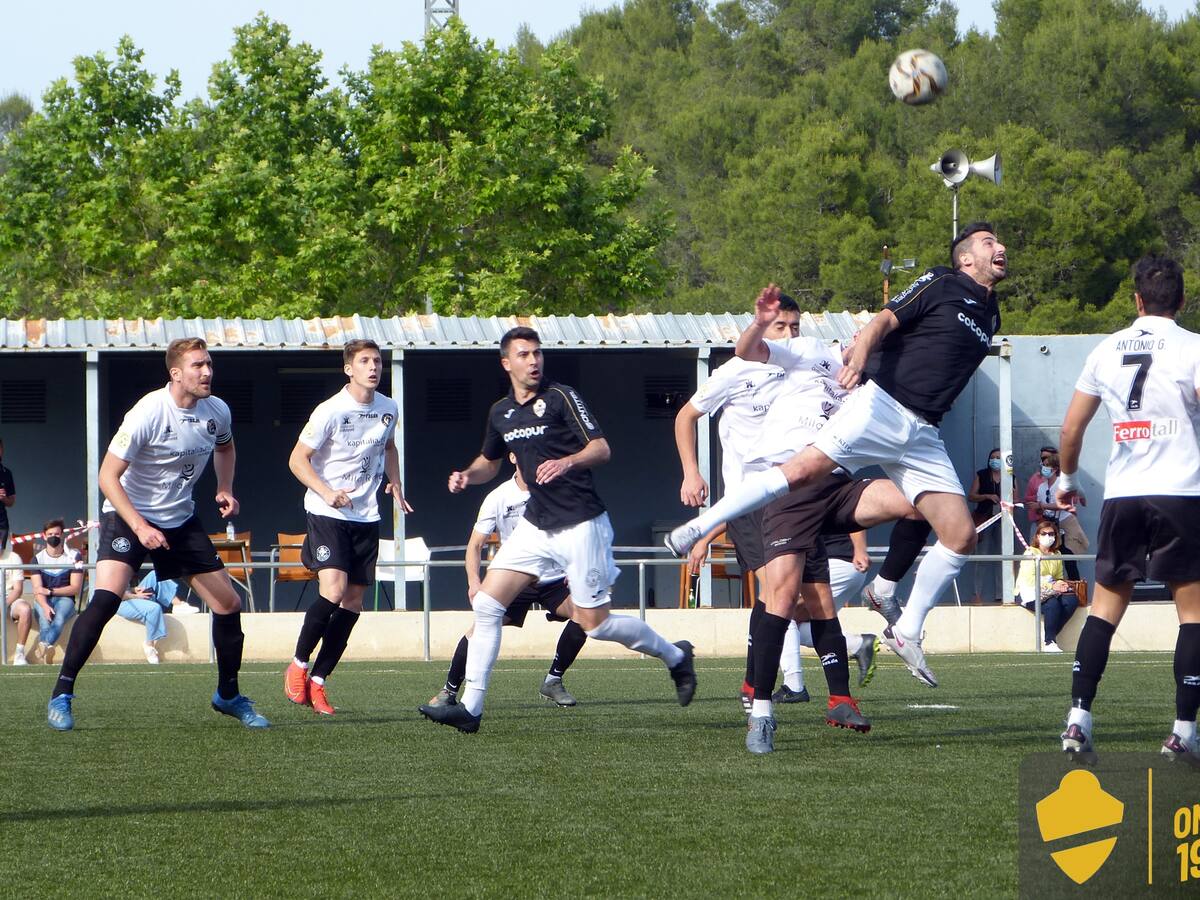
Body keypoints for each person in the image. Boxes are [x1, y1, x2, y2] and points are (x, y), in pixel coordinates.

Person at [667, 223, 1007, 689]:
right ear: (966, 258)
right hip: (845, 437)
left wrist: (860, 361)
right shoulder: (816, 351)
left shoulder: (990, 315)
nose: (1000, 247)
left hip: (919, 431)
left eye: (998, 241)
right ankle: (699, 531)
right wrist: (852, 347)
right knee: (783, 584)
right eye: (989, 242)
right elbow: (754, 352)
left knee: (959, 531)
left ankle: (902, 623)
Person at [419, 326, 696, 734]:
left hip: (581, 524)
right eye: (524, 354)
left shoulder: (561, 397)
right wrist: (466, 475)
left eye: (537, 353)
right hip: (536, 526)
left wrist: (566, 462)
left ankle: (675, 656)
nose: (533, 361)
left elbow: (602, 448)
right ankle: (472, 708)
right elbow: (489, 462)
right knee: (488, 605)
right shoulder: (501, 413)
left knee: (595, 624)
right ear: (506, 363)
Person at [46, 337, 267, 731]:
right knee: (106, 598)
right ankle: (61, 694)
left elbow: (226, 448)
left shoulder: (217, 412)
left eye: (210, 364)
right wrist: (140, 526)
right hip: (127, 515)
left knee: (229, 604)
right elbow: (106, 477)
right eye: (198, 365)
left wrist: (225, 488)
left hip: (180, 520)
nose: (207, 372)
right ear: (176, 373)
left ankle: (228, 696)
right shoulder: (148, 412)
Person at [1055, 255, 1200, 766]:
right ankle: (1183, 732)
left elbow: (1072, 429)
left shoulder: (1107, 348)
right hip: (1182, 492)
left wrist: (1067, 479)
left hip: (1124, 494)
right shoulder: (1192, 348)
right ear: (1181, 301)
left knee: (1105, 609)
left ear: (1136, 300)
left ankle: (1078, 718)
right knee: (1194, 615)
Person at [674, 295, 800, 709]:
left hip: (795, 495)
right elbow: (685, 417)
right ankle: (836, 653)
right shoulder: (733, 372)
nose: (790, 336)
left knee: (782, 597)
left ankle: (759, 684)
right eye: (781, 327)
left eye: (795, 327)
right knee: (778, 594)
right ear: (762, 328)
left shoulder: (800, 368)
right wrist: (692, 472)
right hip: (751, 501)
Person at [283, 339, 410, 716]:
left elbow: (388, 447)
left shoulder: (389, 408)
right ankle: (299, 663)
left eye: (377, 361)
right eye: (365, 361)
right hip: (327, 513)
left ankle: (319, 683)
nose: (374, 367)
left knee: (353, 603)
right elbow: (297, 459)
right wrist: (326, 491)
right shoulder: (331, 411)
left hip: (366, 516)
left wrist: (396, 482)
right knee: (334, 590)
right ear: (348, 369)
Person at [427, 453, 589, 709]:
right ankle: (449, 690)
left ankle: (553, 680)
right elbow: (475, 545)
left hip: (552, 577)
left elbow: (574, 532)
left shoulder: (555, 489)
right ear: (513, 457)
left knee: (586, 614)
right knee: (478, 629)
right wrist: (474, 582)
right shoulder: (498, 497)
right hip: (513, 577)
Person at [776, 532, 878, 703]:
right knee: (795, 626)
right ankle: (857, 644)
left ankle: (794, 687)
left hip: (836, 563)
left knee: (782, 615)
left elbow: (853, 514)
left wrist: (860, 549)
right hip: (840, 564)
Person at [1014, 522, 1078, 652]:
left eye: (1051, 534)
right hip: (1029, 592)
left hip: (1051, 590)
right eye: (1044, 534)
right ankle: (1049, 641)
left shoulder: (1057, 554)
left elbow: (1058, 575)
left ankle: (1050, 636)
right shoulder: (1030, 553)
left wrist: (1061, 583)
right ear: (1037, 536)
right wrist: (1053, 585)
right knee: (1052, 604)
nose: (1048, 536)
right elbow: (1030, 579)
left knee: (1072, 600)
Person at [29, 519, 82, 665]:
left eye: (57, 534)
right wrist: (45, 606)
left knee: (58, 620)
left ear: (62, 535)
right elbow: (37, 590)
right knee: (45, 622)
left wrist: (50, 592)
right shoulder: (37, 559)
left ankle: (43, 646)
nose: (54, 537)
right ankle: (46, 651)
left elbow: (75, 588)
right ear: (44, 536)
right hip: (43, 599)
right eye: (50, 534)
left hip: (66, 599)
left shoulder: (74, 556)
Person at [1031, 451, 1089, 581]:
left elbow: (1062, 504)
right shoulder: (1041, 487)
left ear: (1055, 468)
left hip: (1065, 522)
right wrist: (1037, 508)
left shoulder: (1062, 484)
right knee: (1050, 557)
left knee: (1068, 558)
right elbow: (1042, 507)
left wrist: (1041, 506)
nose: (1043, 468)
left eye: (1047, 465)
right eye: (1043, 465)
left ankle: (1076, 590)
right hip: (1049, 523)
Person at [119, 570, 187, 664]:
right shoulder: (109, 565)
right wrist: (135, 596)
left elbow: (123, 589)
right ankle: (149, 644)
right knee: (154, 608)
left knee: (155, 574)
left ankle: (178, 605)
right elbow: (114, 593)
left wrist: (133, 589)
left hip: (129, 595)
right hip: (118, 603)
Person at [967, 449, 1005, 603]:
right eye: (993, 457)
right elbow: (971, 496)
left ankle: (1002, 594)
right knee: (981, 557)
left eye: (998, 458)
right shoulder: (981, 475)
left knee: (1003, 557)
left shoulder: (1010, 476)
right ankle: (977, 594)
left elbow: (1016, 498)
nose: (995, 460)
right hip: (985, 519)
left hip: (1003, 520)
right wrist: (987, 496)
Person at [3, 531, 30, 665]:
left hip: (9, 598)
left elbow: (18, 589)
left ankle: (19, 655)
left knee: (25, 609)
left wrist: (4, 604)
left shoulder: (14, 557)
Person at [1023, 445, 1058, 524]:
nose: (1044, 461)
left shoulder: (1064, 481)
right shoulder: (1036, 478)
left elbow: (1071, 501)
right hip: (1040, 522)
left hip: (1060, 522)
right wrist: (1038, 501)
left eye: (1047, 458)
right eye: (1042, 458)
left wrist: (1042, 503)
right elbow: (1027, 499)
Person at [0, 437, 17, 543]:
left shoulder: (6, 473)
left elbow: (11, 501)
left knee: (0, 555)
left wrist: (4, 498)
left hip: (1, 523)